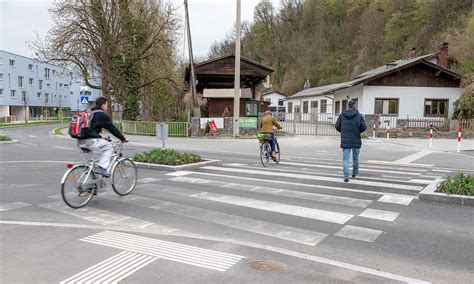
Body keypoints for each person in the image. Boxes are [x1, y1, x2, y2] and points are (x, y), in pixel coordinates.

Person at [77, 97, 128, 177]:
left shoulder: (88, 112)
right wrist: (123, 138)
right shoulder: (102, 115)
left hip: (80, 141)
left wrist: (99, 136)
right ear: (103, 105)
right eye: (107, 105)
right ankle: (102, 168)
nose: (107, 107)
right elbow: (112, 129)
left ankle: (89, 185)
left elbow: (90, 128)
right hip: (90, 141)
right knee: (108, 146)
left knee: (88, 167)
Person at [335, 99, 367, 182]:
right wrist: (357, 131)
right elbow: (364, 127)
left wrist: (344, 131)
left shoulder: (342, 115)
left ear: (348, 105)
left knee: (345, 159)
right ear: (354, 105)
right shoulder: (359, 115)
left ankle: (346, 176)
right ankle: (354, 173)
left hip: (345, 139)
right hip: (356, 138)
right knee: (355, 158)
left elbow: (337, 126)